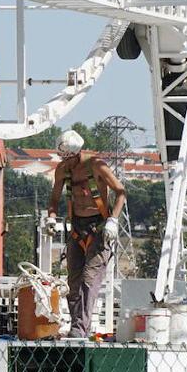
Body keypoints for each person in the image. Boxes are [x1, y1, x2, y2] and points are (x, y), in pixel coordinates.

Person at [47, 129, 126, 338]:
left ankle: (78, 330)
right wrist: (51, 217)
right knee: (73, 282)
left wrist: (113, 220)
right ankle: (78, 325)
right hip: (77, 228)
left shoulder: (97, 166)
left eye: (69, 159)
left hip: (100, 229)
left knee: (88, 280)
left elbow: (121, 192)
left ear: (76, 153)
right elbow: (54, 198)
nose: (67, 163)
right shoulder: (62, 170)